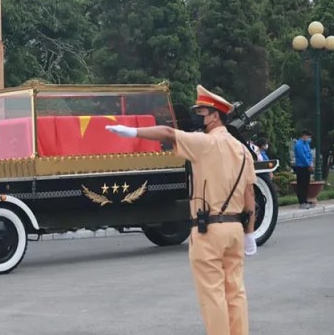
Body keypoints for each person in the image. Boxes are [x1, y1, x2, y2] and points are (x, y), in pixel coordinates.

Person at [107, 85, 257, 335]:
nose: (198, 116)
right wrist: (250, 233)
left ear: (215, 115)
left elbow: (167, 132)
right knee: (235, 291)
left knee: (212, 294)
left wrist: (132, 131)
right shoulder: (243, 151)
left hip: (209, 229)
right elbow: (250, 195)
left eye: (202, 111)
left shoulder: (205, 143)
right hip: (234, 230)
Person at [293, 130, 314, 209]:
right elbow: (302, 156)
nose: (309, 139)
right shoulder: (299, 144)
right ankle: (301, 201)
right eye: (308, 137)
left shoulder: (306, 144)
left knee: (306, 184)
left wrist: (311, 163)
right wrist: (308, 164)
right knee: (301, 184)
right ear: (304, 136)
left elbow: (309, 154)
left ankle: (305, 200)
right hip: (301, 167)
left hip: (307, 167)